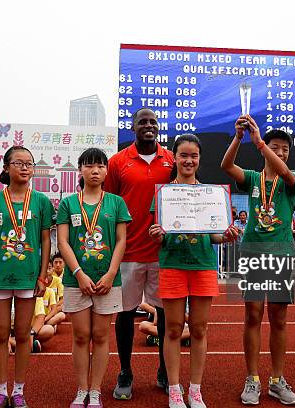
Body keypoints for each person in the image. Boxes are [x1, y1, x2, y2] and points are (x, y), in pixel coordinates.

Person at [149, 134, 239, 408]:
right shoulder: (163, 194)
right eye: (183, 155)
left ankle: (195, 390)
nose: (188, 160)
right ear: (174, 158)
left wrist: (224, 237)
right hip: (173, 265)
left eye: (194, 156)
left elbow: (211, 235)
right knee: (173, 329)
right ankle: (175, 389)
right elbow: (160, 233)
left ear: (199, 159)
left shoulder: (211, 195)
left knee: (199, 329)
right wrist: (157, 234)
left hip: (202, 266)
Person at [221, 115, 295, 405]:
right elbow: (227, 167)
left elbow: (288, 174)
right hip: (254, 255)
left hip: (280, 255)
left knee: (279, 318)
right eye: (275, 147)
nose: (280, 153)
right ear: (267, 146)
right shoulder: (254, 179)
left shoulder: (292, 181)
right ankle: (252, 378)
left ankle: (277, 379)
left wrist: (259, 144)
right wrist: (239, 138)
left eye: (285, 150)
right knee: (253, 315)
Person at [0, 146, 54, 408]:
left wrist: (43, 277)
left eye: (29, 163)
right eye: (18, 163)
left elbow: (45, 240)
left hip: (29, 278)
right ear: (6, 167)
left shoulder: (41, 201)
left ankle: (18, 391)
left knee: (23, 335)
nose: (24, 167)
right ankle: (0, 391)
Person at [104, 107, 175, 399]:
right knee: (125, 315)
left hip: (163, 252)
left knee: (165, 315)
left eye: (153, 122)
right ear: (133, 127)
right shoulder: (117, 161)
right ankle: (125, 371)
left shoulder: (171, 159)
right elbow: (108, 205)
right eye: (143, 122)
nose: (148, 125)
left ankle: (164, 369)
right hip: (129, 251)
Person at [57, 147, 131, 408]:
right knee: (80, 336)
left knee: (101, 336)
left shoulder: (116, 203)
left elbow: (122, 240)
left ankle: (96, 390)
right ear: (81, 170)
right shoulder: (68, 203)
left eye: (100, 165)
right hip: (76, 280)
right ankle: (81, 389)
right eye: (89, 165)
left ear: (106, 170)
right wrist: (78, 274)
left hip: (107, 281)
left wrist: (111, 274)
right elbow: (63, 242)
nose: (95, 170)